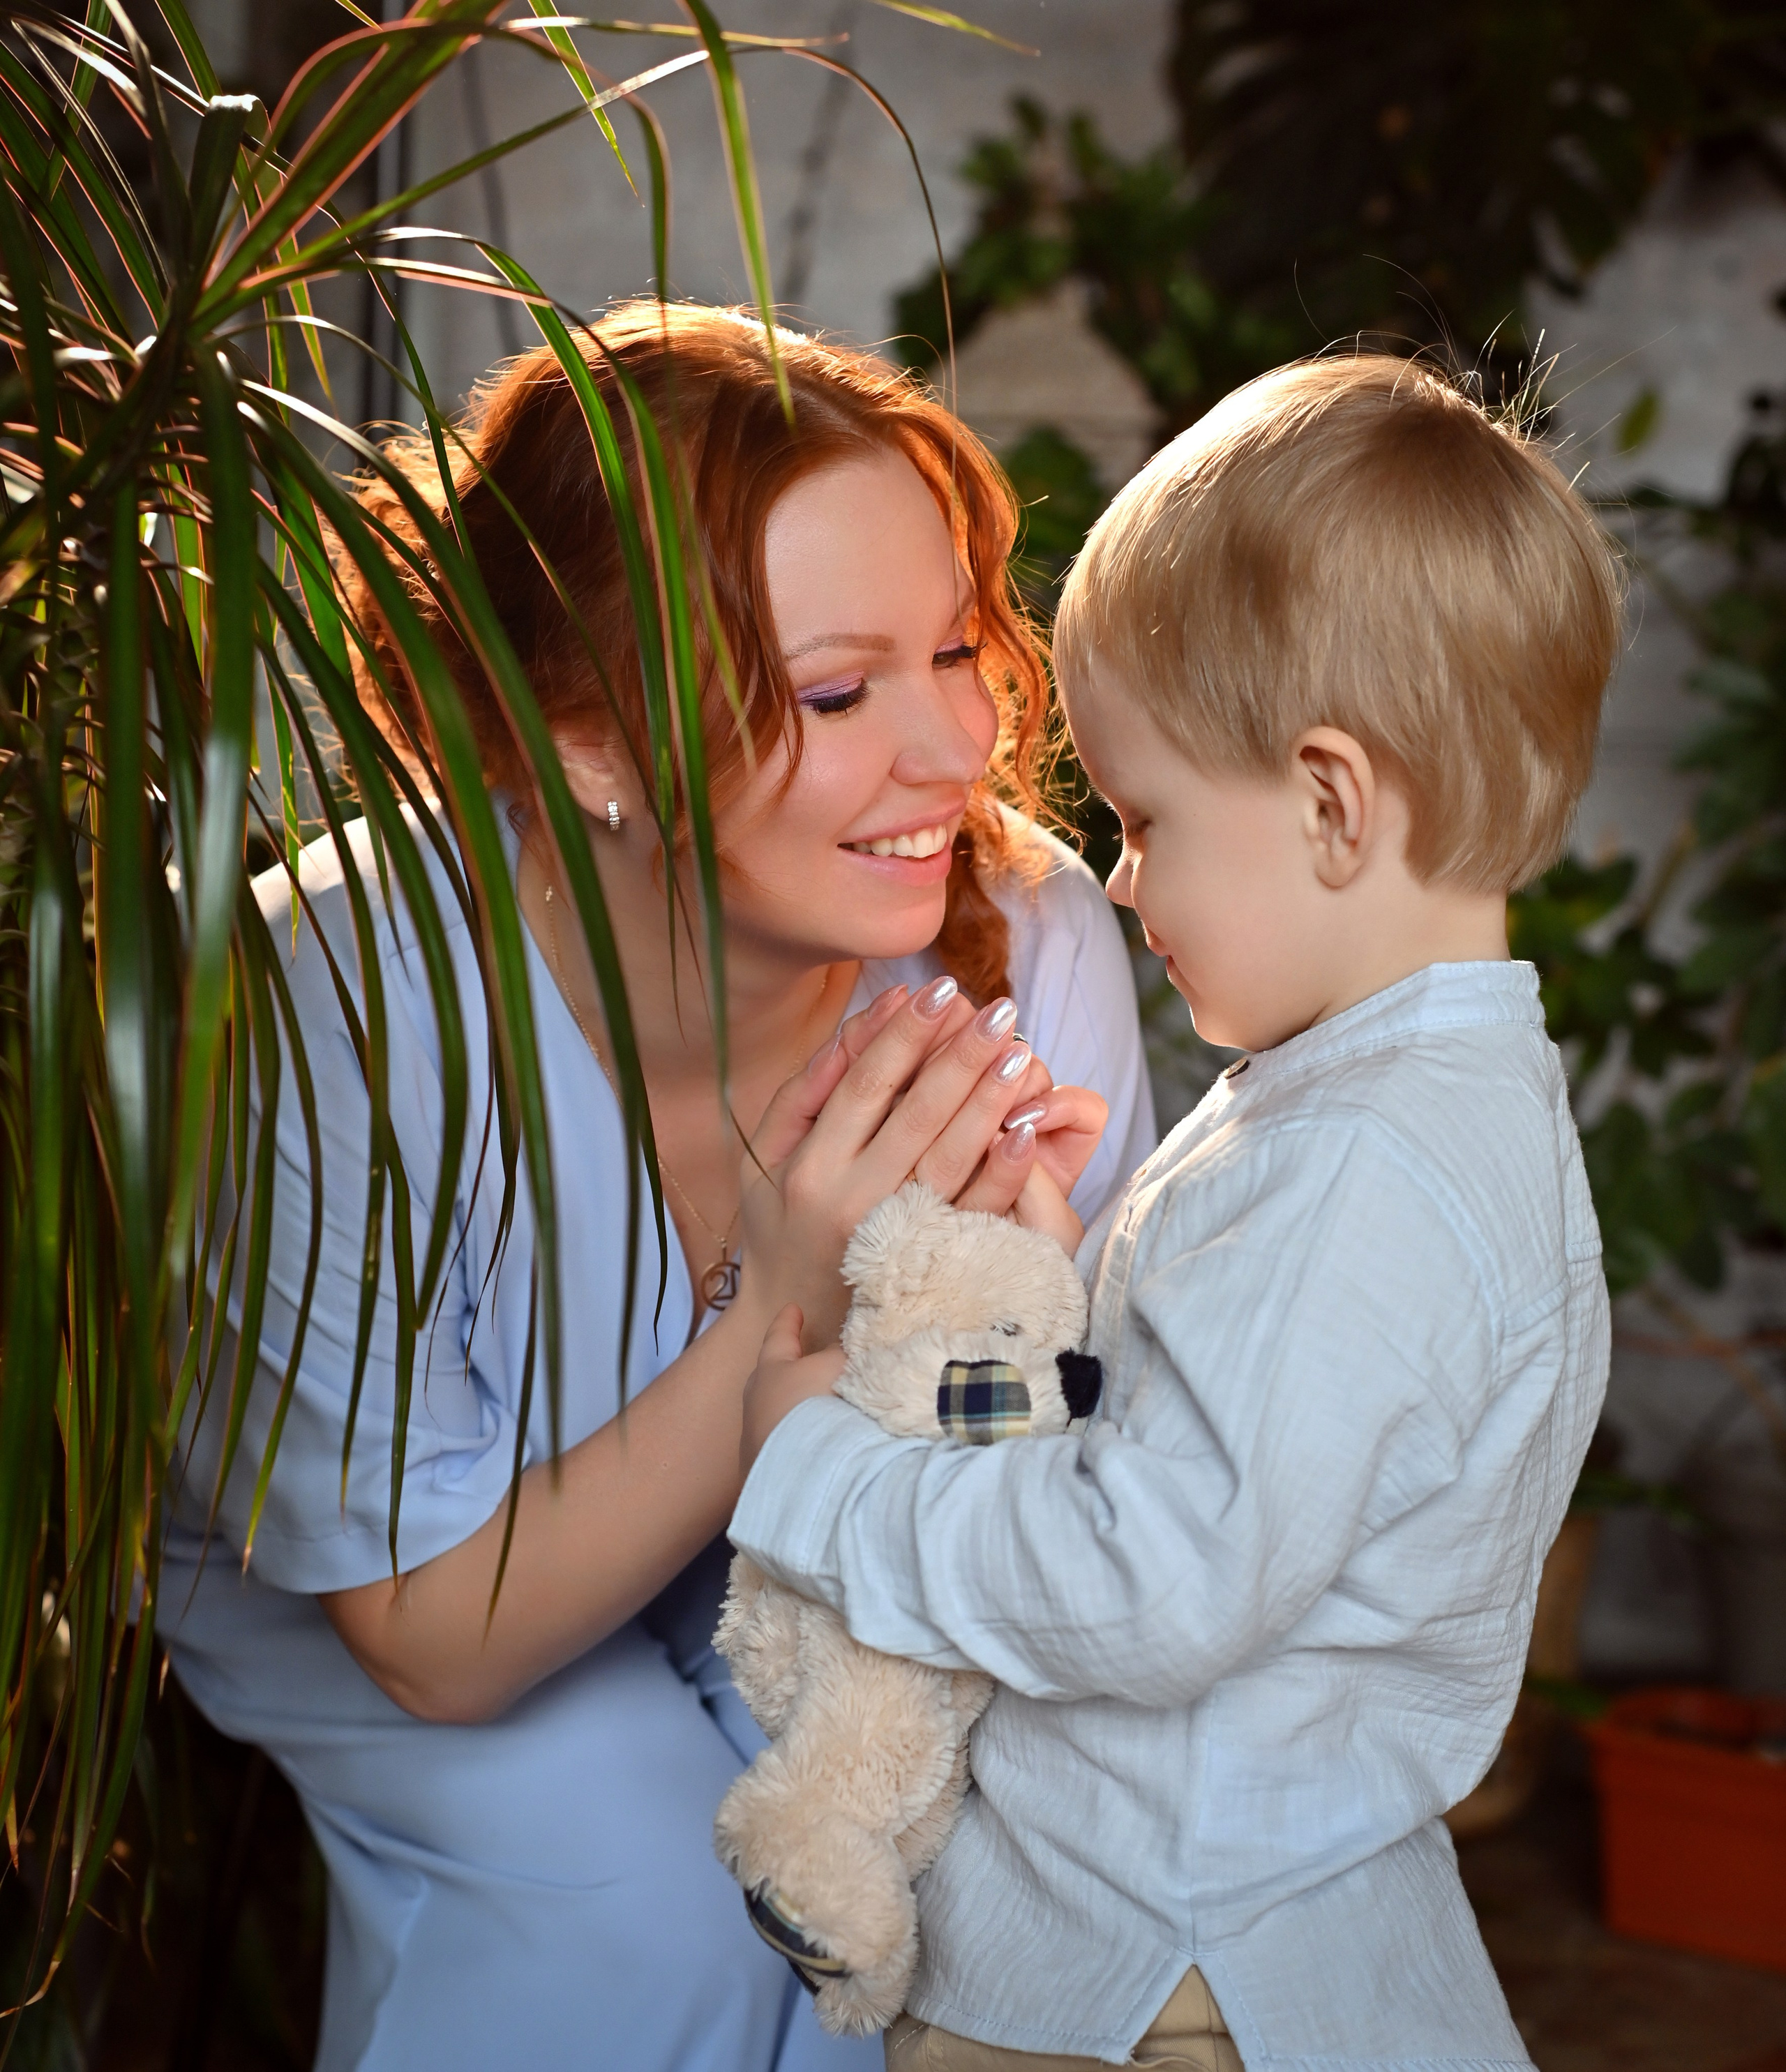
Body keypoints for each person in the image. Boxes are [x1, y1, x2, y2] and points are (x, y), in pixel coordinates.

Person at [157, 303, 1155, 2072]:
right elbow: (430, 1643)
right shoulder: (335, 993)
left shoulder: (1031, 938)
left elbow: (1064, 1483)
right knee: (645, 1913)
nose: (951, 751)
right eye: (839, 693)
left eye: (956, 648)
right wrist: (786, 1293)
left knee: (934, 1913)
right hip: (404, 1593)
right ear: (593, 749)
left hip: (828, 1572)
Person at [730, 354, 1623, 2072]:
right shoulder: (1384, 1104)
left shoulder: (1366, 1170)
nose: (1117, 876)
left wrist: (833, 1483)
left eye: (1146, 820)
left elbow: (1154, 1585)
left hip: (1152, 1976)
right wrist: (1071, 1270)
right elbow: (1237, 1457)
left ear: (1332, 803)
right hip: (1191, 1932)